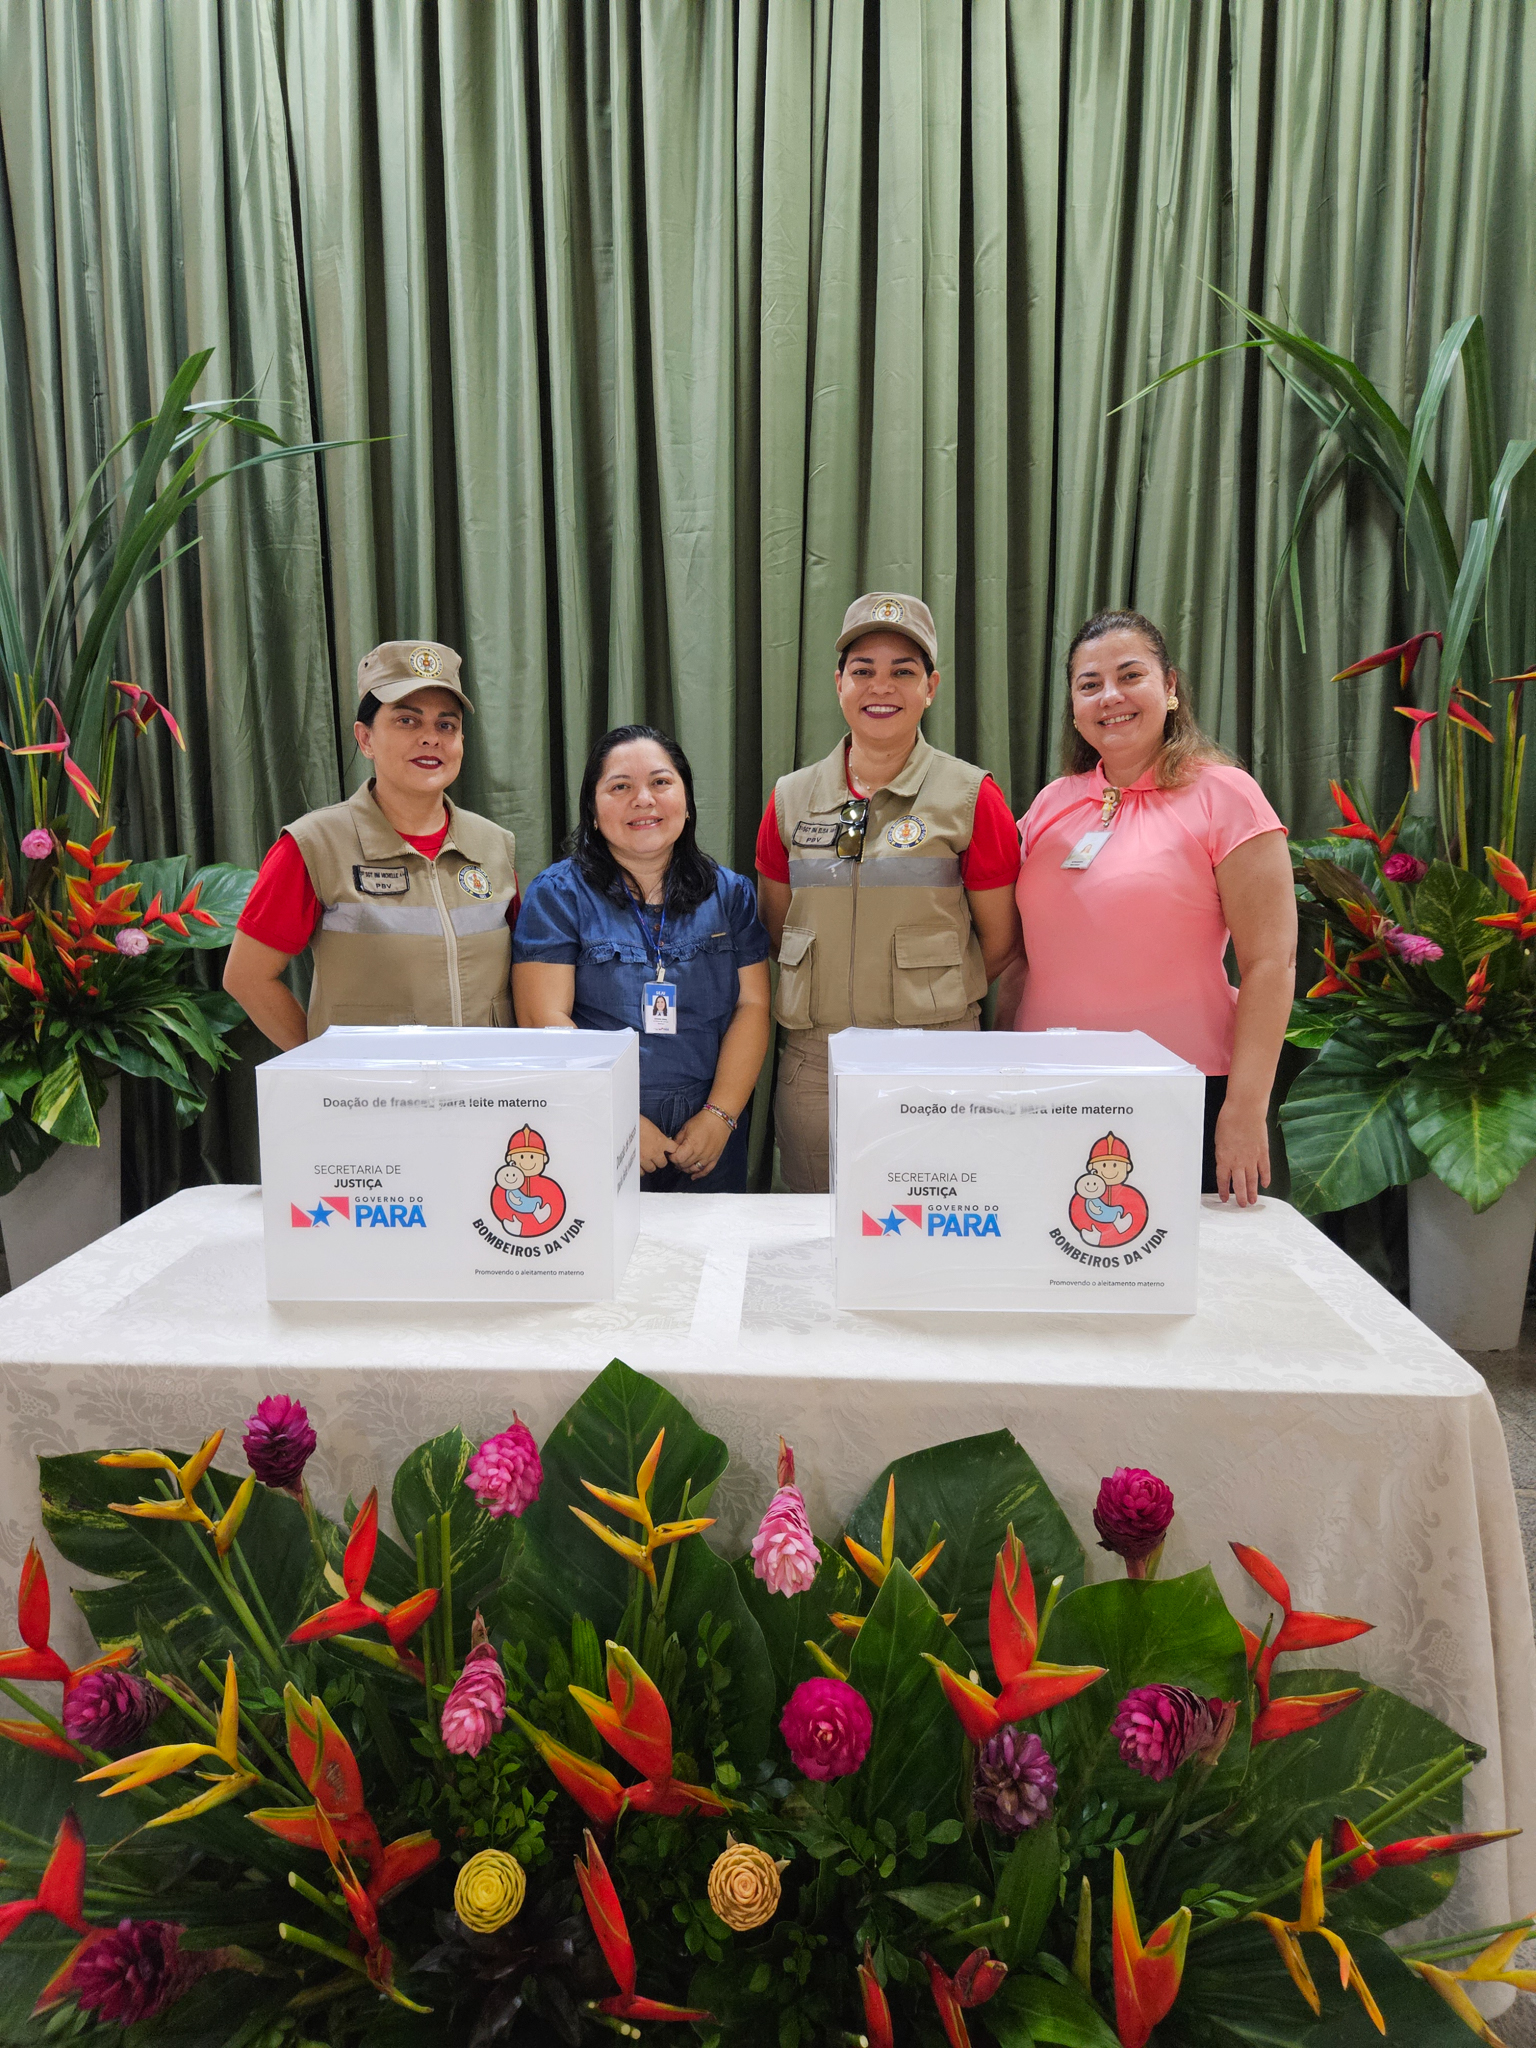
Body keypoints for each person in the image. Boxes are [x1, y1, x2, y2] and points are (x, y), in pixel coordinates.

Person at [1007, 608, 1296, 1206]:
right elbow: (1017, 957)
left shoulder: (1226, 794)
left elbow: (1272, 962)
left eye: (1129, 675)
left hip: (1182, 1091)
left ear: (1169, 687)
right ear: (1074, 704)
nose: (1110, 697)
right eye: (1089, 685)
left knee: (1170, 1281)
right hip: (1047, 1087)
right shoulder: (1051, 803)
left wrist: (1244, 1111)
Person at [755, 592, 1022, 1193]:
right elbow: (777, 927)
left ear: (931, 687)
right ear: (838, 683)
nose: (883, 687)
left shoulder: (972, 796)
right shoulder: (789, 799)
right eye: (863, 671)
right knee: (815, 1229)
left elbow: (1000, 942)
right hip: (816, 1064)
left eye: (903, 672)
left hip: (936, 1057)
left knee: (934, 1226)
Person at [512, 725, 770, 1192]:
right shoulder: (557, 894)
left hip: (711, 1129)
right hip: (597, 1121)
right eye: (620, 787)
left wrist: (720, 1116)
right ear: (592, 810)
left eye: (661, 782)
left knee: (712, 1258)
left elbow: (751, 1006)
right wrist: (620, 1119)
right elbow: (543, 1019)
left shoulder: (732, 894)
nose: (643, 799)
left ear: (687, 802)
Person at [224, 641, 518, 1047]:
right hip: (374, 1102)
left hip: (485, 1092)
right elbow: (247, 977)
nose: (431, 738)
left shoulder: (494, 845)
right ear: (365, 739)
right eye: (407, 721)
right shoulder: (314, 845)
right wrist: (326, 1063)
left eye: (446, 725)